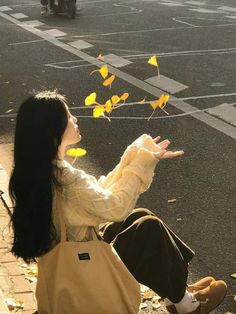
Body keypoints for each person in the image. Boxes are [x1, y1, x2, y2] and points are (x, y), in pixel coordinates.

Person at [9, 90, 227, 314]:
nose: (75, 119)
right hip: (84, 278)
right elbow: (116, 206)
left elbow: (97, 196)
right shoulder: (66, 180)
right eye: (68, 116)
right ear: (53, 131)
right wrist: (139, 164)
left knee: (139, 215)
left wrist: (133, 156)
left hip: (69, 265)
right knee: (147, 228)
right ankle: (185, 304)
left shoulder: (41, 172)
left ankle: (178, 292)